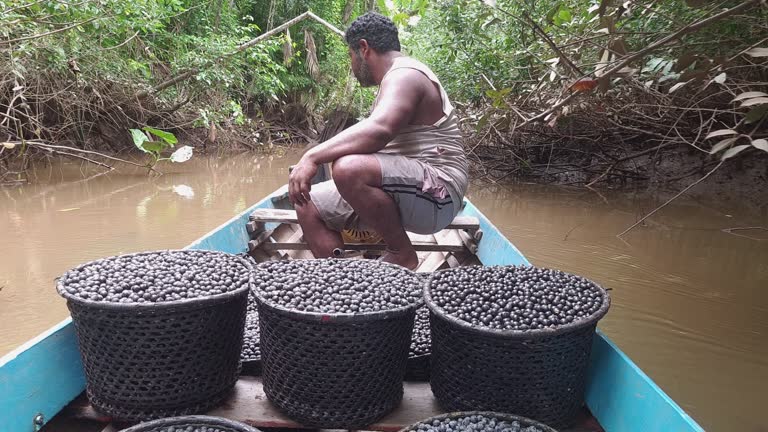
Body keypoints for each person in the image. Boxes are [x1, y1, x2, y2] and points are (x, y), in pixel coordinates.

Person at [288, 12, 468, 270]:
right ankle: (339, 278)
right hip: (407, 189)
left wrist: (312, 156)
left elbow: (379, 130)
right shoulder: (391, 83)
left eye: (350, 56)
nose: (351, 66)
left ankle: (401, 253)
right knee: (306, 201)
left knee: (348, 168)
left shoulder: (406, 74)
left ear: (364, 48)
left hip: (439, 192)